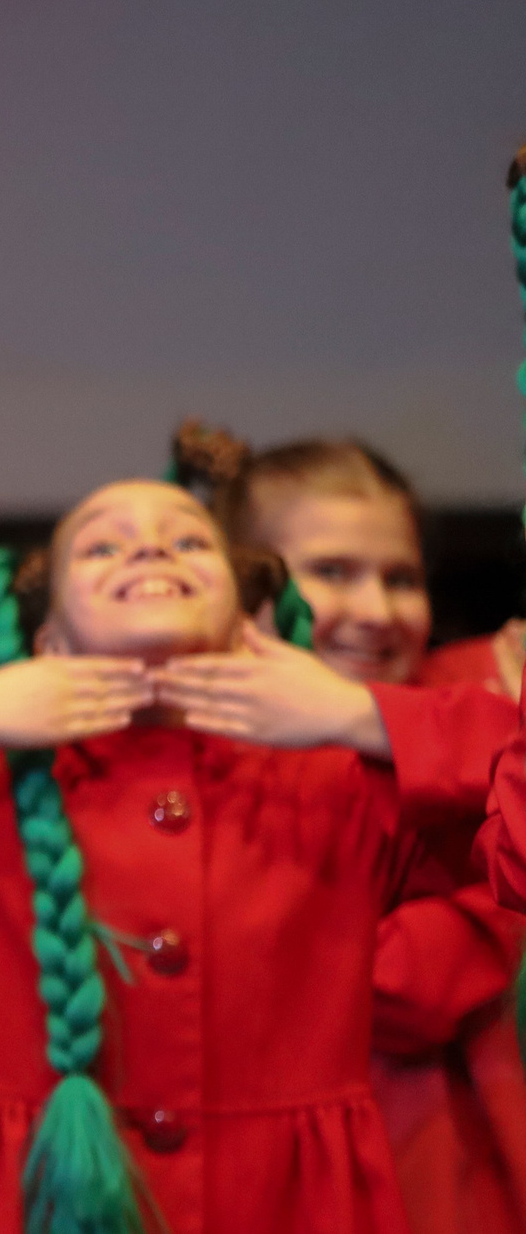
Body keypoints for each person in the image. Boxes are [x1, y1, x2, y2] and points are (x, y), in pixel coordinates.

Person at [0, 477, 510, 1234]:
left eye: (189, 541)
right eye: (102, 546)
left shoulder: (338, 779)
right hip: (34, 1199)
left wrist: (357, 712)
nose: (151, 550)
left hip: (286, 1202)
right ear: (49, 637)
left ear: (247, 623)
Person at [172, 423, 526, 1234]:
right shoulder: (173, 754)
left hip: (415, 1175)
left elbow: (411, 988)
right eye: (333, 571)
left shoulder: (473, 731)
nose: (376, 610)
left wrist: (358, 715)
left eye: (401, 577)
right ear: (244, 582)